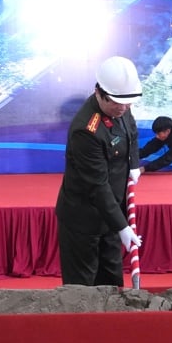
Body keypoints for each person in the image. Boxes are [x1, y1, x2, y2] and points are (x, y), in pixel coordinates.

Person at [54, 56, 143, 286]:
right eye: (117, 103)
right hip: (84, 219)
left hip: (111, 213)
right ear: (99, 93)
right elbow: (97, 185)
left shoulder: (122, 105)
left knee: (112, 280)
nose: (123, 109)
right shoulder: (86, 130)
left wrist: (134, 163)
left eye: (128, 103)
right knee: (83, 286)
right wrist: (123, 227)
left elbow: (131, 131)